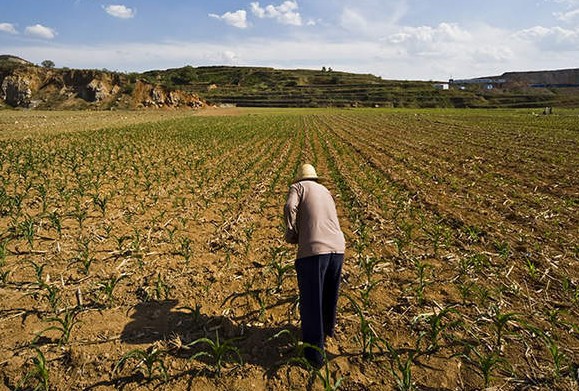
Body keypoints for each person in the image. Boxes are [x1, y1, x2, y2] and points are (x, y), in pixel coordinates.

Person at [284, 163, 345, 367]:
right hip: (338, 248)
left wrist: (291, 231)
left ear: (300, 179)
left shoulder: (298, 188)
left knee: (311, 301)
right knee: (329, 294)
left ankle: (314, 357)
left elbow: (289, 206)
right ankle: (327, 332)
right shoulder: (325, 190)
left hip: (313, 251)